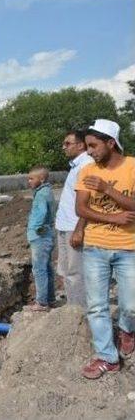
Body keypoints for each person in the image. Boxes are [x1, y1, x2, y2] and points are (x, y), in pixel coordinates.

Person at [75, 119, 135, 379]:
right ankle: (107, 357)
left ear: (111, 143)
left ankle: (127, 329)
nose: (89, 151)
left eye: (93, 145)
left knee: (131, 305)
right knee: (97, 305)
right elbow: (81, 209)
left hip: (128, 248)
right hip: (95, 247)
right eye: (88, 146)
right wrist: (114, 218)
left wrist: (107, 189)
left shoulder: (132, 167)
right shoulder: (87, 171)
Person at [54, 130, 94, 307]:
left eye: (67, 143)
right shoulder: (76, 166)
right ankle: (72, 310)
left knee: (76, 272)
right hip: (64, 225)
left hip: (73, 227)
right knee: (67, 272)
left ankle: (80, 314)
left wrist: (79, 229)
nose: (64, 147)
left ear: (80, 145)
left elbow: (90, 201)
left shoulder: (87, 165)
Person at [26, 166, 55, 312]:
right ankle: (50, 299)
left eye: (32, 178)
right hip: (47, 235)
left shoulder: (42, 194)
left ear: (41, 179)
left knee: (39, 269)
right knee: (47, 268)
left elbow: (41, 213)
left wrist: (35, 228)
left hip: (40, 236)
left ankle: (42, 302)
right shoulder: (46, 191)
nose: (29, 181)